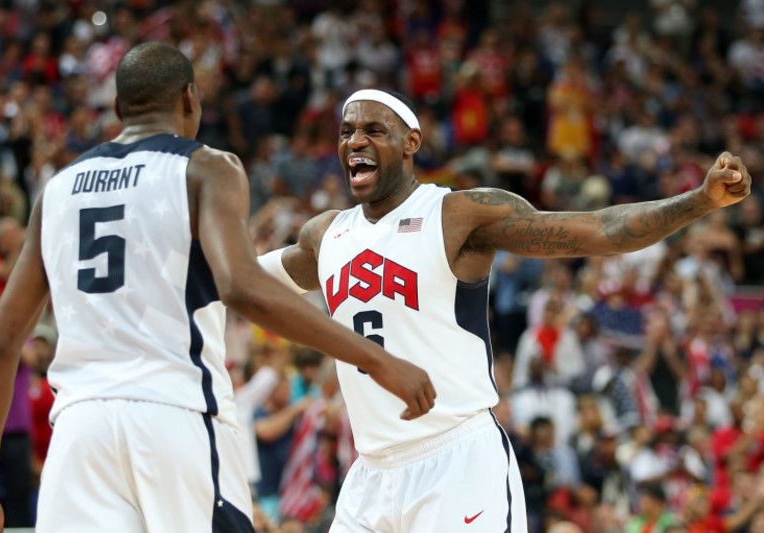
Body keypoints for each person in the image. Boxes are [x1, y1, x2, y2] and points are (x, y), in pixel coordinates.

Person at [0, 43, 436, 533]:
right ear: (190, 99)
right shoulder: (207, 167)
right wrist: (378, 359)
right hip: (175, 417)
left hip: (79, 435)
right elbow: (243, 288)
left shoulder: (57, 191)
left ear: (120, 107)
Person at [256, 87, 752, 532]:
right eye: (346, 132)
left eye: (372, 130)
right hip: (369, 471)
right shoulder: (326, 235)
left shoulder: (458, 215)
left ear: (411, 142)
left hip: (456, 460)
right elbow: (241, 278)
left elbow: (599, 230)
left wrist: (698, 202)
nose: (355, 141)